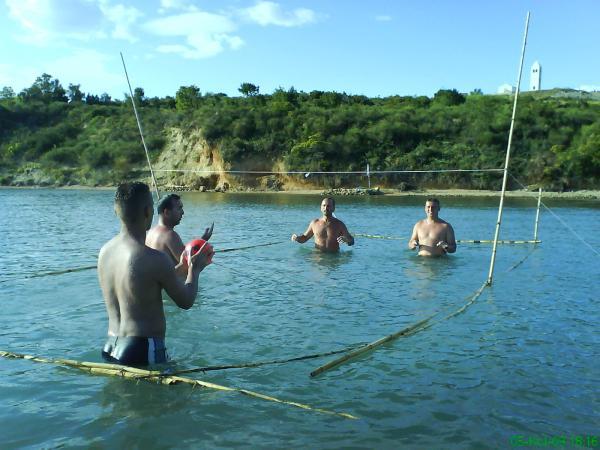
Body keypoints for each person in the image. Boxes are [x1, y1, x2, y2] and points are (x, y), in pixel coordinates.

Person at [98, 182, 213, 366]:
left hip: (110, 345)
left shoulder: (105, 252)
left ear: (115, 211)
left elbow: (145, 284)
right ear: (148, 211)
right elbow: (186, 301)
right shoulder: (154, 258)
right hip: (141, 348)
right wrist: (195, 269)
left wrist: (184, 267)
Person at [145, 193, 213, 275]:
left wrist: (202, 240)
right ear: (167, 212)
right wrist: (207, 252)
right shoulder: (170, 236)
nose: (183, 212)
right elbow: (190, 266)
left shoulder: (150, 233)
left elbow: (186, 255)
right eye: (179, 208)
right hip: (171, 283)